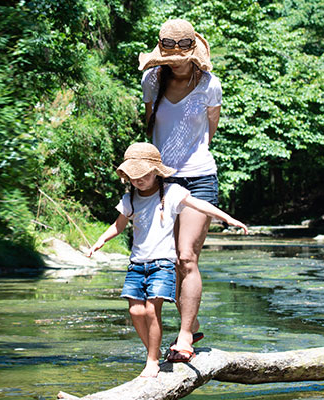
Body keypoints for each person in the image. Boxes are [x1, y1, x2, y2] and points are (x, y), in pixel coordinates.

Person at [84, 143, 247, 377]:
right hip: (136, 265)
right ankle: (155, 350)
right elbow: (118, 225)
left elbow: (200, 204)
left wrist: (228, 218)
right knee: (136, 312)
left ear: (156, 172)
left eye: (143, 176)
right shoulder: (130, 199)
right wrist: (100, 241)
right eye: (133, 177)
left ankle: (152, 361)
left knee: (152, 311)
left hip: (162, 265)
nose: (137, 181)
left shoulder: (172, 192)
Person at [137, 18, 223, 362]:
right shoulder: (151, 81)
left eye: (182, 54)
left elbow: (210, 131)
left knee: (187, 255)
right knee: (168, 260)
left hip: (200, 176)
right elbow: (151, 124)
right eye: (170, 55)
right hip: (163, 181)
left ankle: (185, 336)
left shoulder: (210, 85)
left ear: (194, 54)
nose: (177, 62)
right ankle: (193, 320)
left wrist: (191, 158)